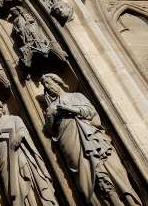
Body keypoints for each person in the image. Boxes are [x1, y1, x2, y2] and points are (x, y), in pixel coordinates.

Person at [40, 74, 141, 206]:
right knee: (86, 177)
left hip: (92, 136)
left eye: (48, 83)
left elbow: (91, 112)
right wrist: (50, 114)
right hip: (71, 143)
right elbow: (51, 130)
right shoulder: (51, 108)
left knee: (113, 168)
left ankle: (128, 200)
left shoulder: (77, 96)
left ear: (57, 82)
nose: (47, 87)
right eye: (44, 86)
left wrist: (72, 109)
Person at [0, 96, 58, 206]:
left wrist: (19, 136)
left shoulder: (14, 119)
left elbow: (23, 131)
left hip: (20, 157)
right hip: (4, 165)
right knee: (13, 192)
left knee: (27, 181)